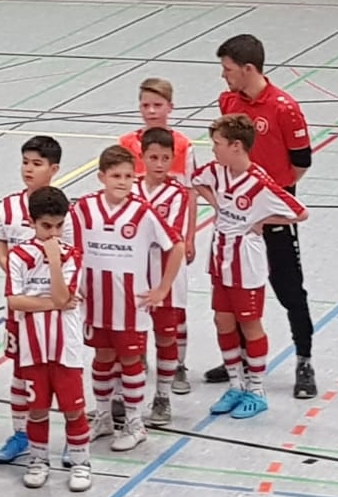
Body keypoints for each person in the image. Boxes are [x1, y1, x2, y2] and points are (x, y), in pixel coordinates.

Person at [208, 33, 319, 399]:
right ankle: (238, 360)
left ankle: (304, 360)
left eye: (228, 69)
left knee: (288, 287)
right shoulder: (228, 101)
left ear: (248, 68)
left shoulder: (284, 108)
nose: (224, 75)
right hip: (237, 215)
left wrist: (270, 194)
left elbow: (301, 162)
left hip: (270, 208)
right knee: (235, 288)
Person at [193, 114, 309, 420]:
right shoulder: (216, 172)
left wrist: (262, 220)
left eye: (217, 143)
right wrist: (217, 205)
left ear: (236, 146)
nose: (213, 149)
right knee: (222, 320)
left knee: (249, 324)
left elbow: (299, 213)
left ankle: (256, 391)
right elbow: (195, 181)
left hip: (246, 262)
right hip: (220, 257)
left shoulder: (259, 182)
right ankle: (236, 384)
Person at [72, 144, 177, 452]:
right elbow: (70, 248)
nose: (122, 182)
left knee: (131, 361)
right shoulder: (83, 208)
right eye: (116, 176)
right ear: (101, 177)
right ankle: (103, 416)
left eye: (128, 176)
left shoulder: (143, 212)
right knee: (102, 357)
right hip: (95, 302)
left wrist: (162, 289)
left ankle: (134, 423)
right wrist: (72, 283)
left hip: (131, 304)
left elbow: (177, 246)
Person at [5, 186, 91, 492]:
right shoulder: (18, 256)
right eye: (46, 226)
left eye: (59, 226)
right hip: (32, 346)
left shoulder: (73, 255)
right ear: (32, 222)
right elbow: (15, 300)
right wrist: (54, 303)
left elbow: (62, 296)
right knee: (37, 409)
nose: (53, 234)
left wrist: (54, 262)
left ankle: (81, 463)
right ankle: (38, 460)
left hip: (66, 346)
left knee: (73, 409)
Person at [0, 134, 64, 466]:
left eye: (36, 164)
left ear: (54, 169)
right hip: (20, 309)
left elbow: (71, 254)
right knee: (20, 372)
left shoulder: (62, 209)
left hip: (53, 309)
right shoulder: (8, 205)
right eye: (25, 162)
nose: (28, 169)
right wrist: (8, 264)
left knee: (60, 373)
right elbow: (1, 243)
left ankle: (70, 436)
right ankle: (20, 433)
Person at [136, 126, 197, 421]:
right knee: (130, 338)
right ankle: (123, 397)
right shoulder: (130, 187)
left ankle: (162, 396)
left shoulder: (177, 193)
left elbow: (167, 235)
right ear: (142, 157)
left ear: (173, 159)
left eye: (165, 158)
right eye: (153, 157)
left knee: (165, 336)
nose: (159, 164)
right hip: (135, 274)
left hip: (166, 276)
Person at [117, 77, 177, 176]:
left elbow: (189, 182)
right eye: (145, 105)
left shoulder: (182, 144)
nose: (151, 111)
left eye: (157, 105)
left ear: (170, 107)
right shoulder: (126, 144)